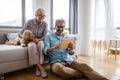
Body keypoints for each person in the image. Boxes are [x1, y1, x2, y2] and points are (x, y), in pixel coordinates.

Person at [44, 19, 108, 80]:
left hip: (69, 61)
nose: (60, 29)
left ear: (64, 27)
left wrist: (71, 49)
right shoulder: (49, 36)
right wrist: (54, 47)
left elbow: (71, 53)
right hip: (56, 62)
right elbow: (45, 51)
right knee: (59, 69)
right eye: (59, 26)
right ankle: (83, 74)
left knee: (85, 67)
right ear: (55, 26)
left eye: (62, 27)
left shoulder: (67, 37)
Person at [19, 8, 48, 78]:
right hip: (30, 40)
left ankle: (37, 68)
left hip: (40, 40)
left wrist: (38, 40)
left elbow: (45, 36)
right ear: (36, 15)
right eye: (40, 15)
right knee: (32, 47)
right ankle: (41, 68)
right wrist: (28, 38)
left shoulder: (45, 24)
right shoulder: (29, 22)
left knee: (41, 45)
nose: (42, 17)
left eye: (43, 16)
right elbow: (20, 33)